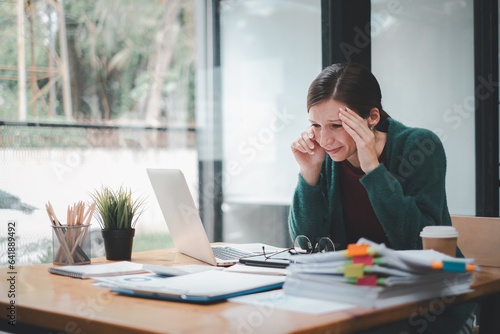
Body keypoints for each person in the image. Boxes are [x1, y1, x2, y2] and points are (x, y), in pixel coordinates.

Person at [288, 62, 475, 333]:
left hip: (431, 308)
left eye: (336, 125)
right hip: (358, 302)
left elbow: (419, 244)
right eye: (315, 125)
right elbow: (306, 246)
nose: (325, 139)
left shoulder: (420, 146)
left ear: (372, 117)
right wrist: (309, 171)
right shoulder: (327, 158)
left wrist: (373, 170)